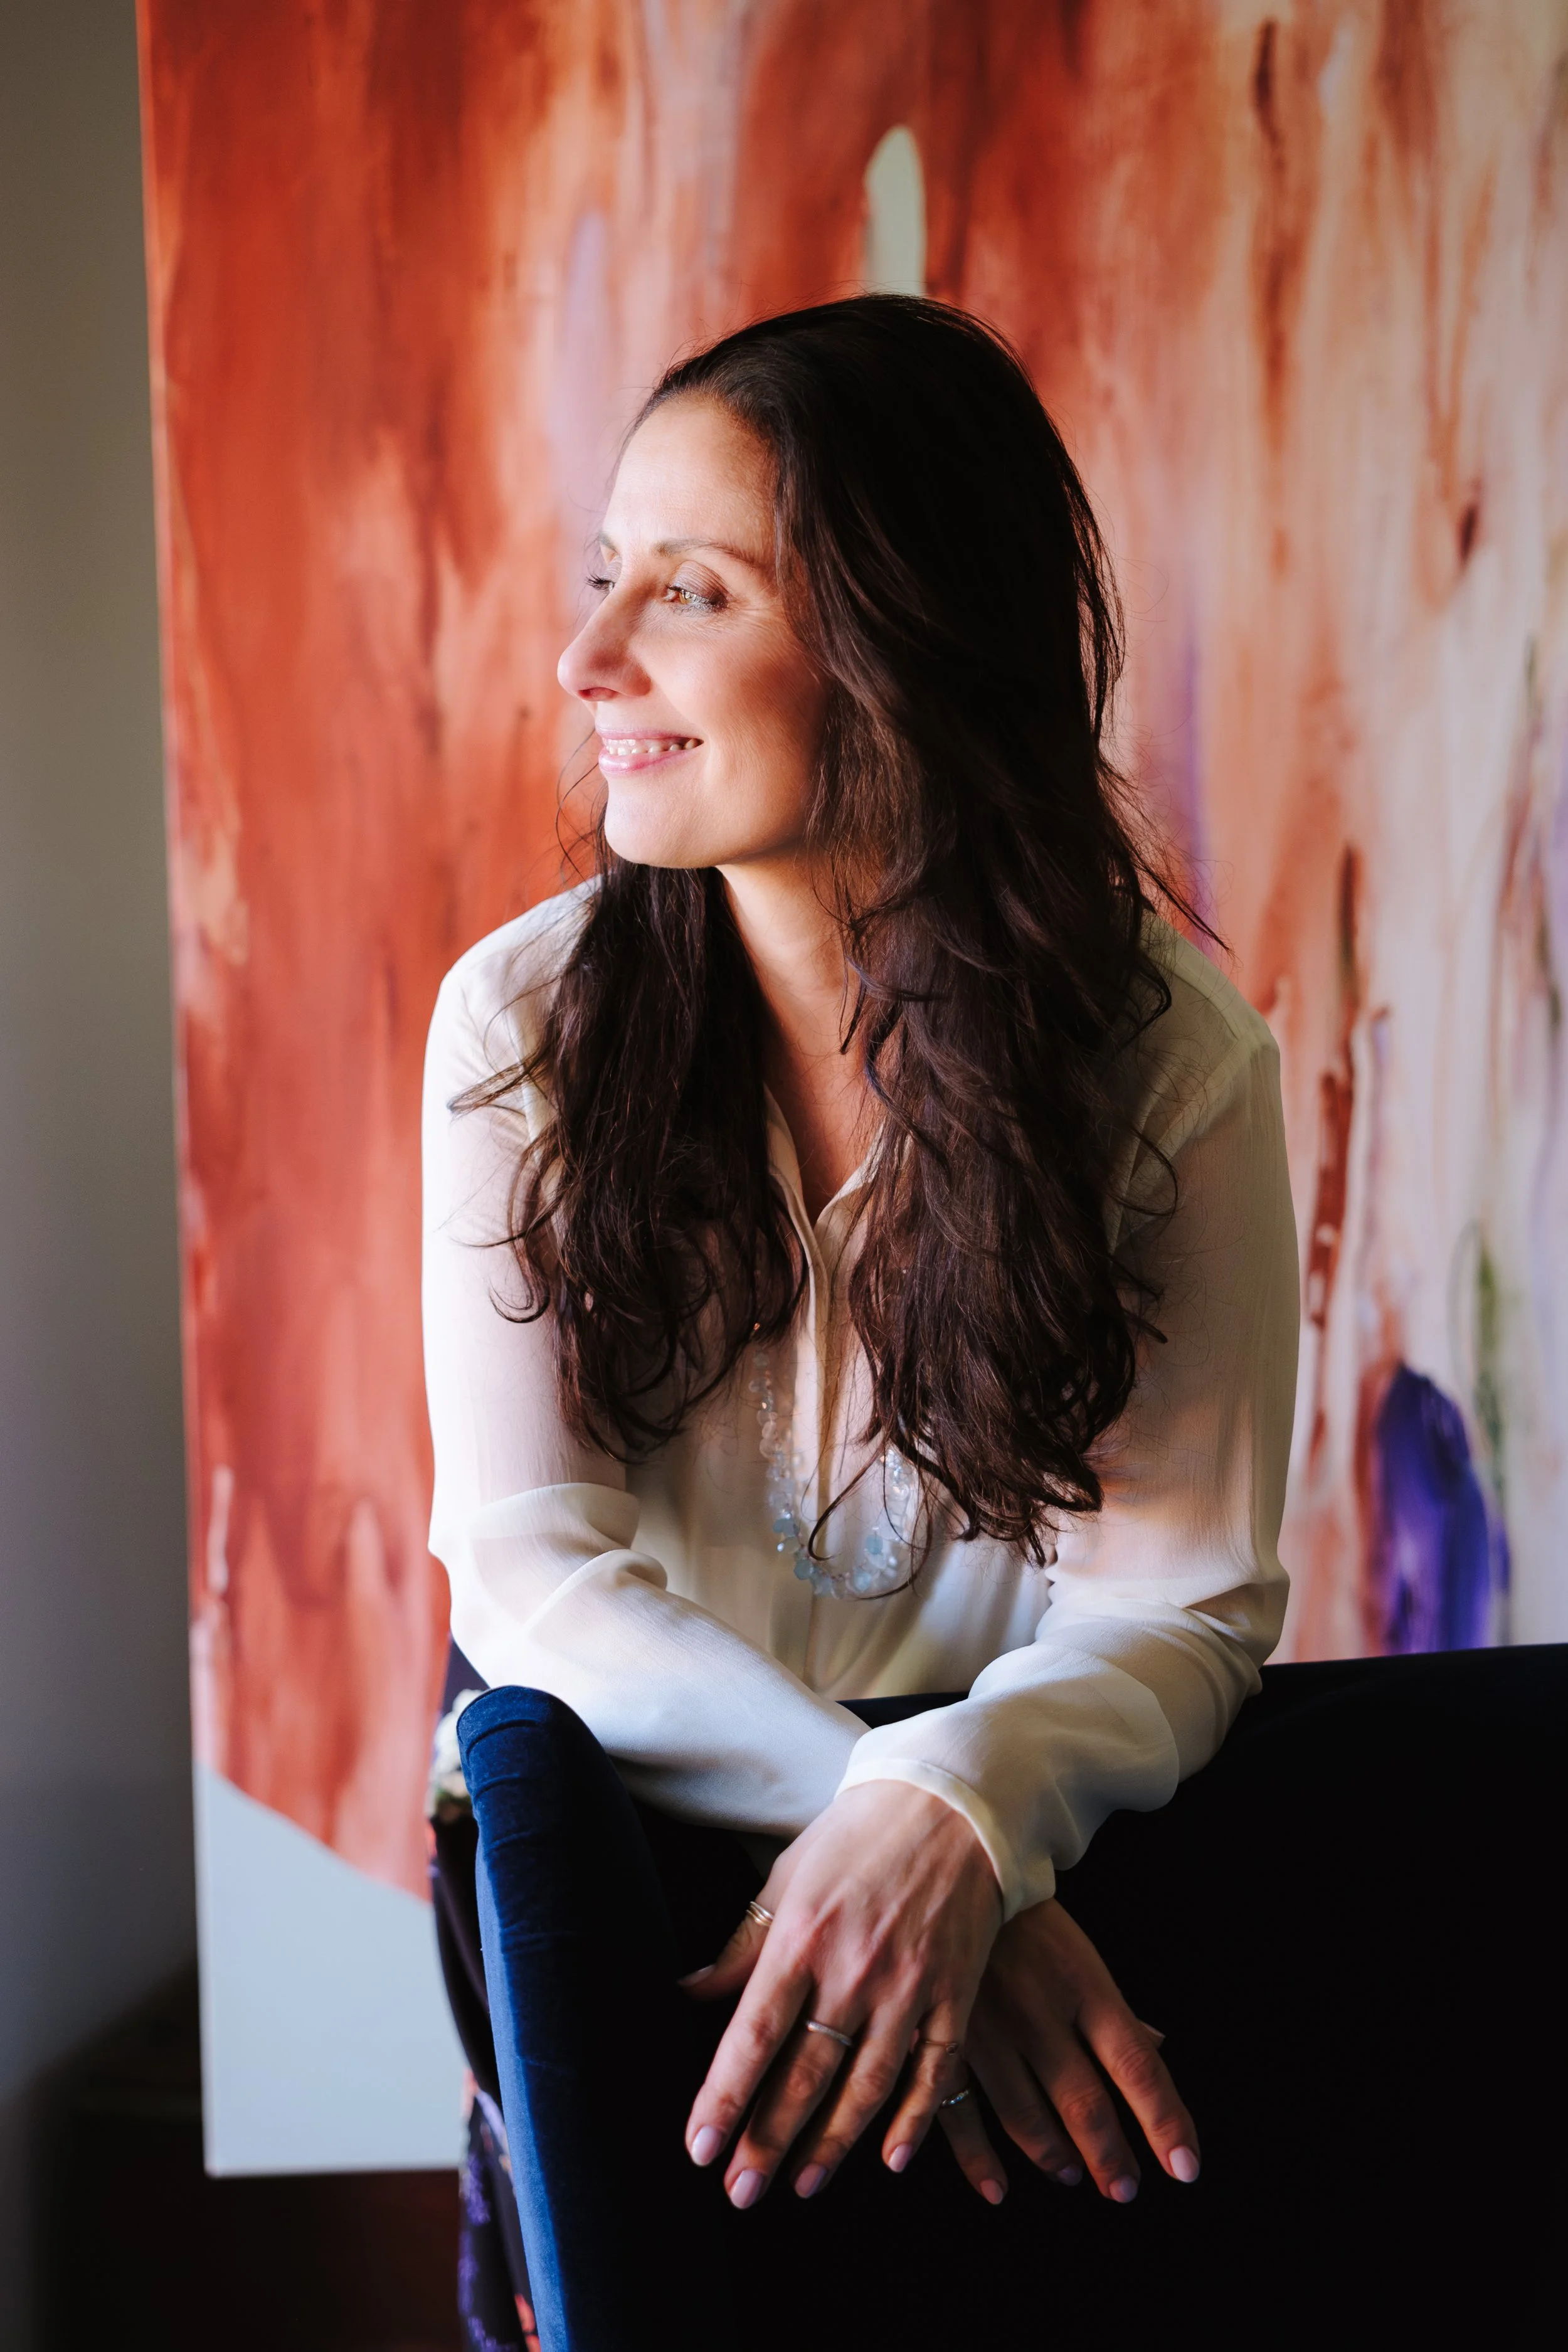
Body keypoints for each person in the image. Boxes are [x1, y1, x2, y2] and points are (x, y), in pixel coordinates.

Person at [421, 299, 1564, 2352]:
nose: (591, 661)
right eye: (610, 576)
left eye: (689, 592)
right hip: (628, 1860)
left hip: (1040, 1838)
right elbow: (528, 1568)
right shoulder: (518, 1023)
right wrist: (911, 1840)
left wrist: (963, 1817)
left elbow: (1183, 1600)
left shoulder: (1167, 1064)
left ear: (895, 639)